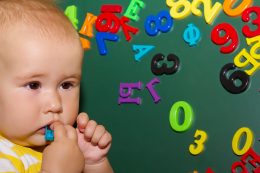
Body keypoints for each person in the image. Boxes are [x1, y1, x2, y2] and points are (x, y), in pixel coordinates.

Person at [0, 0, 114, 172]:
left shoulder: (66, 148)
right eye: (33, 85)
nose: (55, 104)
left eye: (66, 85)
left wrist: (94, 162)